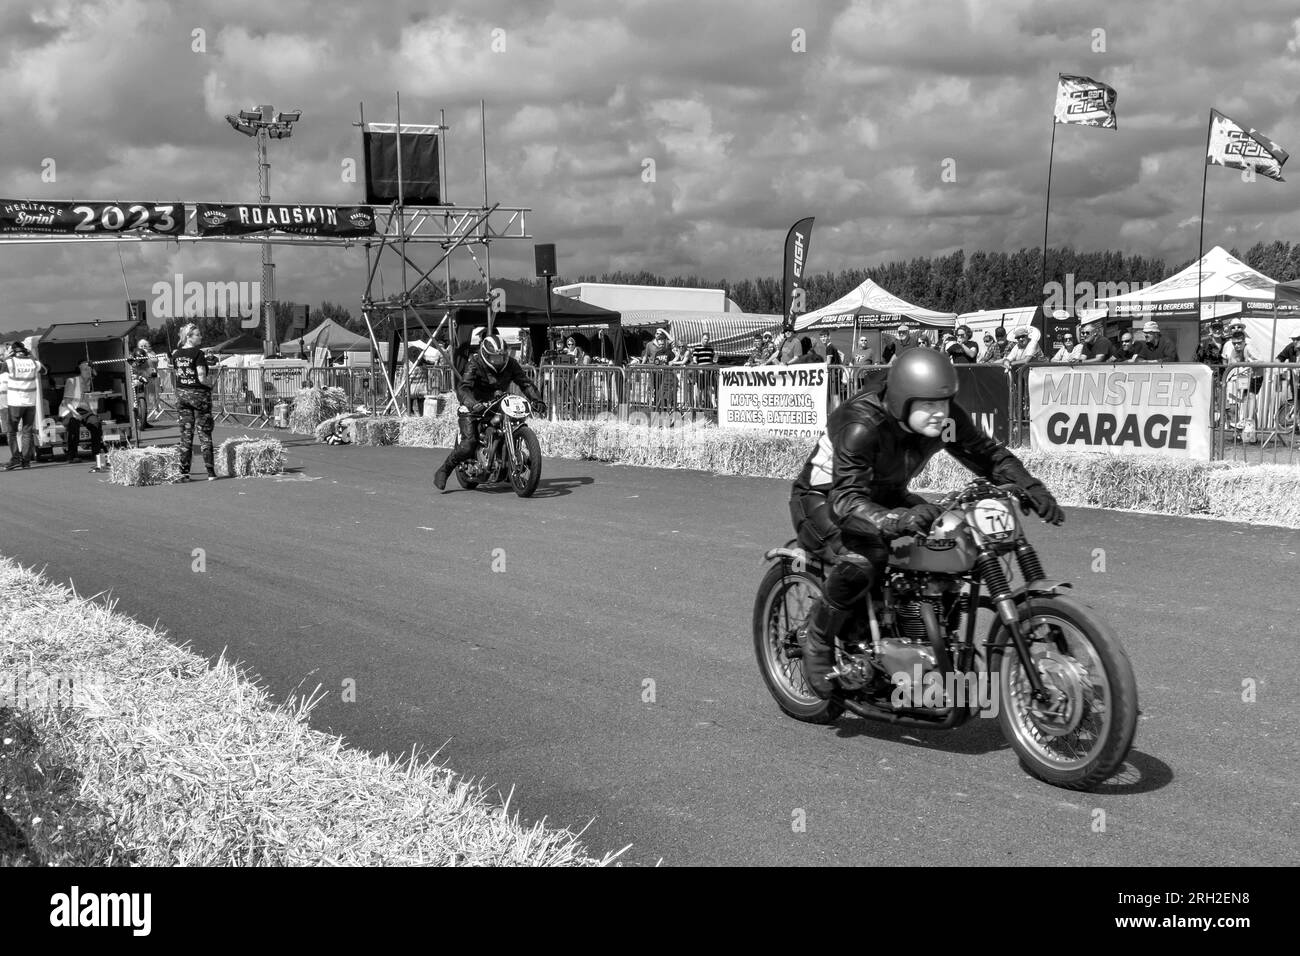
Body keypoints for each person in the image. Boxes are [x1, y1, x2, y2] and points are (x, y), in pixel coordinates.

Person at [792, 348, 1064, 698]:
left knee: (944, 533)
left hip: (883, 493)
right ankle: (818, 637)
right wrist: (896, 518)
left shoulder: (944, 420)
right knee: (866, 558)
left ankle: (923, 637)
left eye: (947, 402)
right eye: (931, 405)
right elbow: (847, 501)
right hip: (825, 498)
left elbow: (987, 455)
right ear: (904, 399)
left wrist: (1030, 485)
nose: (941, 414)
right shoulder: (862, 424)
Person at [433, 334, 546, 491]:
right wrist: (473, 404)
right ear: (485, 355)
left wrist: (537, 400)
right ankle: (444, 470)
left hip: (498, 403)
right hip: (474, 406)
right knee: (468, 444)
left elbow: (525, 383)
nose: (498, 361)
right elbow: (463, 387)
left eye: (501, 357)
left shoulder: (511, 364)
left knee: (512, 425)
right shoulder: (475, 363)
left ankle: (508, 465)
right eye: (494, 358)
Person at [172, 323, 217, 482]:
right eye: (197, 334)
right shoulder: (197, 354)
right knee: (204, 433)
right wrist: (210, 384)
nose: (201, 337)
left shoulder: (176, 354)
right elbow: (201, 377)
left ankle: (184, 472)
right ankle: (210, 472)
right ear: (189, 337)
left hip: (182, 396)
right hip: (198, 396)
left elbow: (178, 374)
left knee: (186, 434)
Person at [5, 340, 45, 471]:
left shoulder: (10, 362)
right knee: (27, 432)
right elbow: (45, 370)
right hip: (30, 404)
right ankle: (26, 461)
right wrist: (32, 357)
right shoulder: (34, 363)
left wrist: (6, 357)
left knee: (12, 431)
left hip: (15, 403)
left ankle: (15, 458)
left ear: (12, 351)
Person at [59, 359, 105, 464]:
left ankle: (96, 453)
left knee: (96, 423)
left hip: (86, 411)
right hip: (70, 410)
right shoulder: (72, 381)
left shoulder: (91, 381)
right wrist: (75, 414)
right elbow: (67, 402)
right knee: (73, 424)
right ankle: (72, 455)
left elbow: (100, 383)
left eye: (89, 369)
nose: (87, 371)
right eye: (85, 369)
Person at [130, 338, 158, 429]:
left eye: (144, 346)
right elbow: (131, 368)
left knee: (145, 401)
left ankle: (144, 421)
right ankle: (135, 420)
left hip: (145, 380)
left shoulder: (148, 357)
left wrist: (152, 374)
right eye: (141, 346)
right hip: (134, 380)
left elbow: (150, 367)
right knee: (133, 401)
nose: (143, 347)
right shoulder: (133, 357)